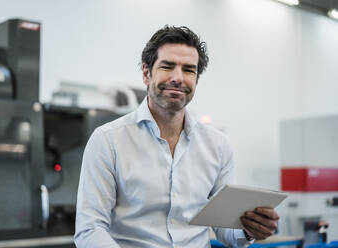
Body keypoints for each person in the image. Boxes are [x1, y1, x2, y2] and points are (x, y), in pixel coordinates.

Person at [74, 26, 279, 248]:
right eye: (167, 66)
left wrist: (249, 230)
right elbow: (90, 229)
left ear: (196, 80)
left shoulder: (217, 145)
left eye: (189, 70)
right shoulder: (108, 141)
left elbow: (225, 231)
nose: (178, 78)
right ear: (146, 73)